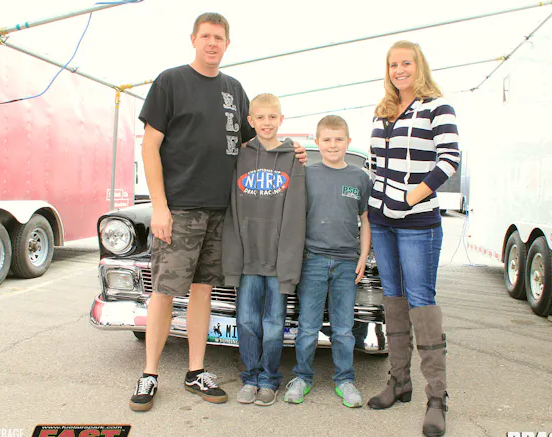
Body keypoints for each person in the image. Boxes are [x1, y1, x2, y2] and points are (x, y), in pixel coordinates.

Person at [129, 13, 306, 411]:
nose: (212, 43)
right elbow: (149, 146)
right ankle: (150, 374)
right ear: (193, 39)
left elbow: (254, 144)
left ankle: (196, 371)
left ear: (227, 44)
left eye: (219, 37)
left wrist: (290, 149)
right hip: (179, 209)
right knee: (164, 291)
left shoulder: (234, 90)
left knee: (203, 291)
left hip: (221, 212)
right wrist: (160, 207)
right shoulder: (170, 81)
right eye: (206, 36)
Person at [365, 40, 460, 437]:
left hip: (417, 221)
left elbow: (450, 159)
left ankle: (436, 397)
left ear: (419, 66)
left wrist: (411, 197)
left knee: (421, 302)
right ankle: (399, 381)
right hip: (381, 220)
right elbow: (374, 165)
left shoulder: (437, 106)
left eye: (406, 63)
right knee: (393, 299)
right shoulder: (383, 110)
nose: (399, 70)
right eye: (393, 64)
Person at [222, 93, 306, 406]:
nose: (266, 123)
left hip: (277, 260)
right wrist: (233, 256)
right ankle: (250, 378)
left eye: (272, 117)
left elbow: (296, 213)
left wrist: (289, 262)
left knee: (273, 325)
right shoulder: (239, 157)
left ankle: (269, 380)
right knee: (246, 321)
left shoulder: (293, 158)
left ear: (281, 119)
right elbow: (231, 210)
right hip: (247, 259)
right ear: (251, 121)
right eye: (260, 117)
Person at [283, 115, 371, 408]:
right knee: (308, 326)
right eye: (327, 139)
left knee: (343, 328)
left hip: (347, 263)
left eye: (339, 139)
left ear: (348, 141)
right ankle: (302, 377)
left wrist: (362, 256)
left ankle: (345, 380)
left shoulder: (360, 178)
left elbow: (365, 219)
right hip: (313, 260)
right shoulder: (306, 174)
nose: (333, 145)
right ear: (317, 142)